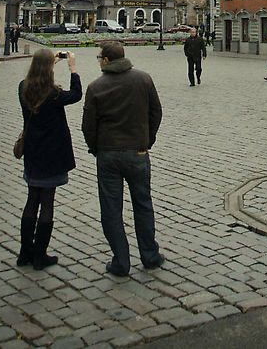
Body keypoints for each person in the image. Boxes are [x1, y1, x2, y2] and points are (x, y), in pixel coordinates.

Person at [81, 40, 164, 277]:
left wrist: (96, 147)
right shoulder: (143, 79)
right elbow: (156, 112)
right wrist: (148, 139)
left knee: (111, 208)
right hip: (138, 152)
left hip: (108, 153)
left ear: (106, 60)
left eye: (99, 58)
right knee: (143, 204)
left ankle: (121, 261)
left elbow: (88, 126)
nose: (98, 61)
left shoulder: (96, 87)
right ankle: (150, 256)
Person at [17, 48, 81, 270]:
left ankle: (25, 252)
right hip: (52, 153)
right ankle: (40, 255)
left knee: (31, 200)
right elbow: (76, 94)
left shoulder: (23, 88)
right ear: (49, 69)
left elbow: (34, 81)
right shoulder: (54, 94)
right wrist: (72, 69)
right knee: (47, 203)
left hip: (33, 151)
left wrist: (49, 62)